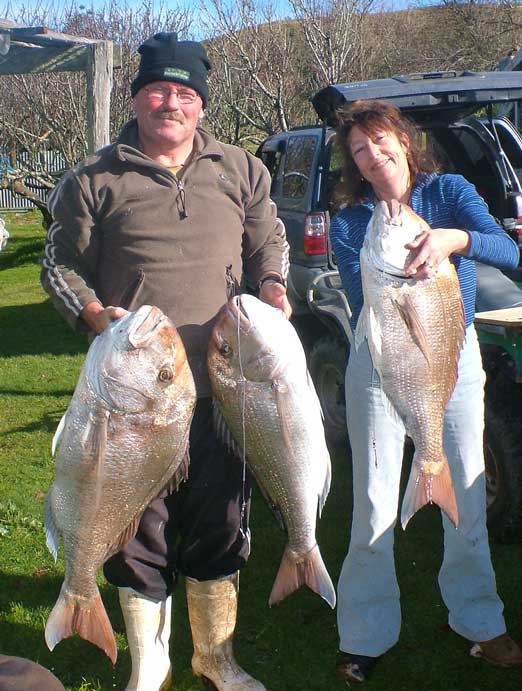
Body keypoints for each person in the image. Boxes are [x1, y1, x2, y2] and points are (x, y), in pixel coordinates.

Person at [41, 32, 290, 691]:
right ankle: (150, 664)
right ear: (136, 96)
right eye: (158, 88)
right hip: (133, 400)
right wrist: (94, 315)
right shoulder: (94, 178)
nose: (171, 101)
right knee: (134, 530)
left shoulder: (243, 170)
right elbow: (59, 263)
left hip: (228, 389)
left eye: (185, 92)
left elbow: (270, 242)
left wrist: (273, 290)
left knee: (222, 526)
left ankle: (216, 657)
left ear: (202, 103)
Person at [329, 100, 522, 683]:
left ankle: (480, 622)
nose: (373, 154)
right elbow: (365, 302)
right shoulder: (347, 223)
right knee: (372, 501)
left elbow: (508, 250)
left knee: (465, 490)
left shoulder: (452, 191)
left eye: (379, 139)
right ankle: (364, 635)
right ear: (354, 164)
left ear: (403, 140)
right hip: (381, 357)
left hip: (450, 354)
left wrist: (452, 241)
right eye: (359, 149)